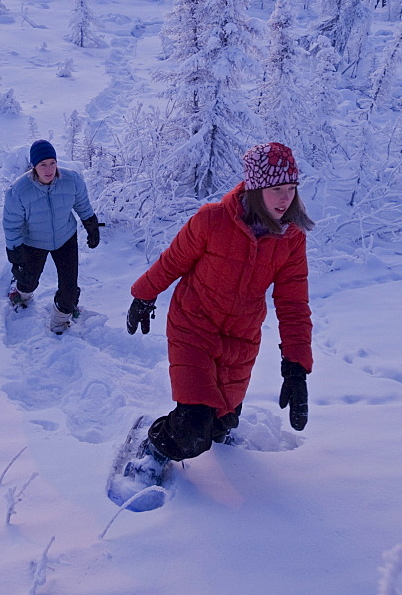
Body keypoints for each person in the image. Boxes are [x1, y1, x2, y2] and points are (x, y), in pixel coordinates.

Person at [126, 141, 314, 481]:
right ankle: (155, 447)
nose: (285, 198)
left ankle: (210, 428)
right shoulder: (212, 220)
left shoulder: (291, 238)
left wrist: (296, 368)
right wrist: (144, 294)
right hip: (193, 327)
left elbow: (293, 304)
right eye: (276, 189)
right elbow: (174, 261)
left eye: (290, 188)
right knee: (193, 430)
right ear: (257, 188)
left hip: (240, 339)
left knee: (220, 425)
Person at [3, 139, 100, 334]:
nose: (49, 170)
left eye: (52, 163)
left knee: (69, 288)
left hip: (65, 238)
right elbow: (12, 225)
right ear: (34, 167)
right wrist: (16, 257)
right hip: (34, 241)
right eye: (43, 165)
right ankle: (21, 293)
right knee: (28, 279)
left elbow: (82, 203)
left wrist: (91, 224)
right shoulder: (20, 190)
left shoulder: (71, 180)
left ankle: (60, 320)